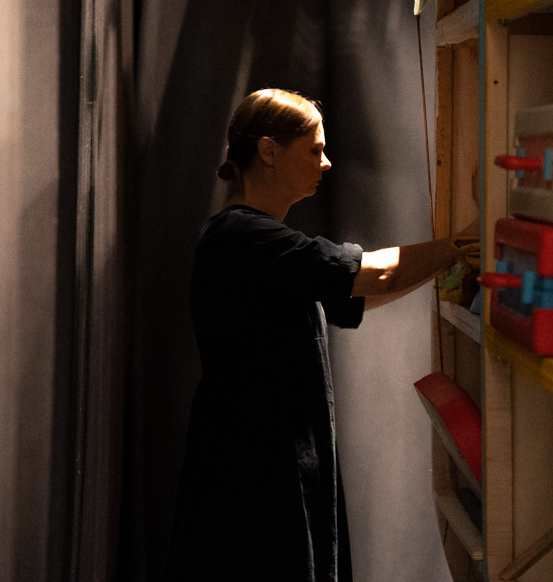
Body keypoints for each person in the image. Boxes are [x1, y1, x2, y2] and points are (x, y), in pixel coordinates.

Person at [167, 88, 463, 582]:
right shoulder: (242, 236)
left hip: (267, 459)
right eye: (314, 149)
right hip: (253, 470)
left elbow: (358, 292)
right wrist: (458, 246)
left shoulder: (250, 240)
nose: (326, 163)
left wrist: (441, 262)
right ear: (268, 151)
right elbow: (376, 275)